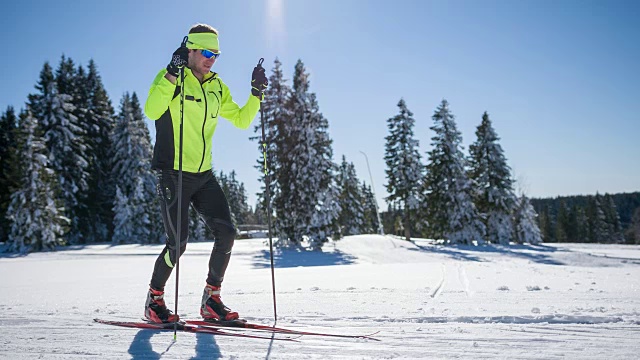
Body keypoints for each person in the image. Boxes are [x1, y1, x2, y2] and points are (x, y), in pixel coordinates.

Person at [142, 23, 268, 323]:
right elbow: (152, 109)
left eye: (217, 53)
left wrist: (256, 94)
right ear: (192, 50)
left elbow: (239, 119)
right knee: (178, 243)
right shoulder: (171, 78)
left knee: (226, 232)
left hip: (204, 174)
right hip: (173, 172)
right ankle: (154, 301)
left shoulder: (216, 86)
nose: (212, 58)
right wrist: (172, 73)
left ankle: (211, 299)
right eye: (207, 52)